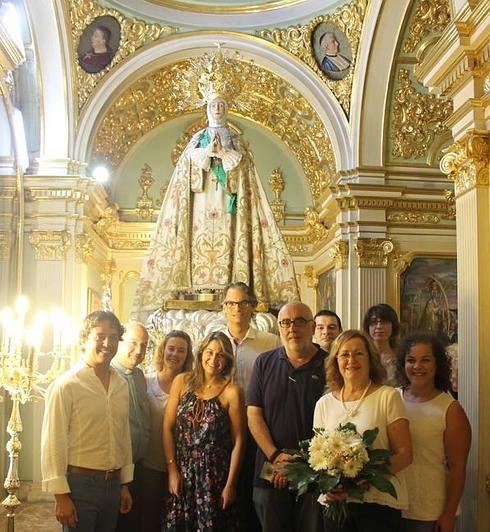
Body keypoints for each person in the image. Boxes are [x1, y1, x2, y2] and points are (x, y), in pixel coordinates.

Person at [134, 92, 299, 312]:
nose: (218, 109)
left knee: (231, 235)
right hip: (200, 201)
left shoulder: (235, 140)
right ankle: (195, 289)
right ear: (207, 108)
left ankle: (232, 290)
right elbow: (185, 172)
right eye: (214, 105)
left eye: (222, 104)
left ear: (227, 109)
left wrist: (225, 155)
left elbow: (245, 176)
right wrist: (206, 155)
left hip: (228, 203)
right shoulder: (198, 139)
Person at [41, 311, 133, 531]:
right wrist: (61, 496)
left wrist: (124, 484)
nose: (107, 343)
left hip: (112, 485)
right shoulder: (67, 385)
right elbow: (53, 442)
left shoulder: (121, 385)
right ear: (84, 339)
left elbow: (123, 436)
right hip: (80, 486)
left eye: (112, 337)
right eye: (99, 336)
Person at [314, 329, 412, 532]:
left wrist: (362, 482)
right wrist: (329, 483)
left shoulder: (388, 397)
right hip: (335, 506)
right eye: (345, 354)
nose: (352, 360)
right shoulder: (324, 404)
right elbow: (317, 457)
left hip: (377, 507)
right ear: (335, 360)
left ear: (370, 358)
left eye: (359, 353)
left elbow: (405, 454)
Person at [247, 302, 326, 532]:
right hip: (270, 470)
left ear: (312, 327)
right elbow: (254, 415)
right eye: (286, 322)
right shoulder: (263, 362)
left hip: (315, 473)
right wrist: (276, 456)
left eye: (300, 321)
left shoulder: (330, 364)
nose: (293, 328)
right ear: (279, 328)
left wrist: (300, 464)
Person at [163, 331, 246, 531]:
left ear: (227, 360)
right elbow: (167, 427)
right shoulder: (181, 382)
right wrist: (172, 470)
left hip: (214, 477)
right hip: (183, 472)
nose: (214, 359)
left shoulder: (232, 392)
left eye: (221, 355)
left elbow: (239, 442)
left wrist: (230, 485)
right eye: (210, 352)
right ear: (201, 353)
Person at [221, 281, 281, 531]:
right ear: (224, 307)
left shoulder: (270, 342)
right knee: (223, 492)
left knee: (255, 493)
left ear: (253, 307)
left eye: (243, 303)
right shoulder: (214, 342)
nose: (237, 308)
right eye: (231, 303)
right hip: (222, 429)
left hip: (258, 427)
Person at [396, 334, 471, 532]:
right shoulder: (391, 398)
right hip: (391, 505)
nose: (417, 366)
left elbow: (457, 467)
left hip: (429, 510)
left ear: (437, 365)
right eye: (411, 360)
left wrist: (448, 514)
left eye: (425, 360)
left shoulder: (450, 409)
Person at [140, 330, 193, 532]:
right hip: (150, 465)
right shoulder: (146, 382)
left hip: (181, 468)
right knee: (149, 520)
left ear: (187, 356)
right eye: (171, 348)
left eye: (181, 350)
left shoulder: (191, 387)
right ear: (163, 350)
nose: (175, 354)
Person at [111, 322, 151, 532]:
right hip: (115, 471)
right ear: (119, 341)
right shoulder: (107, 375)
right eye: (133, 343)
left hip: (139, 468)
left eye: (144, 346)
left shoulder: (139, 376)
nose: (138, 350)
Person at [363, 303, 400, 386]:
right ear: (367, 327)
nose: (379, 326)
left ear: (393, 326)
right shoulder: (362, 355)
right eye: (374, 322)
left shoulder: (401, 356)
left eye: (384, 322)